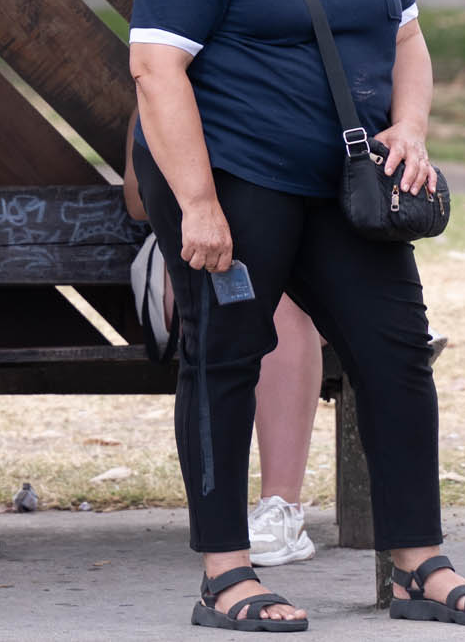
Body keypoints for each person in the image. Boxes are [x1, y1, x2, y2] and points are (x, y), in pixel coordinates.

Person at [129, 0, 465, 629]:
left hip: (345, 185)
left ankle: (418, 565)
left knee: (395, 353)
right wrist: (197, 205)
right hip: (236, 180)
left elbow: (406, 38)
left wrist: (409, 129)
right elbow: (156, 70)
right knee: (225, 359)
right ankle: (226, 574)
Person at [127, 126, 327, 568]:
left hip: (293, 238)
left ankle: (281, 506)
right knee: (220, 288)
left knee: (278, 296)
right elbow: (137, 200)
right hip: (194, 238)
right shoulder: (165, 90)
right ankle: (220, 526)